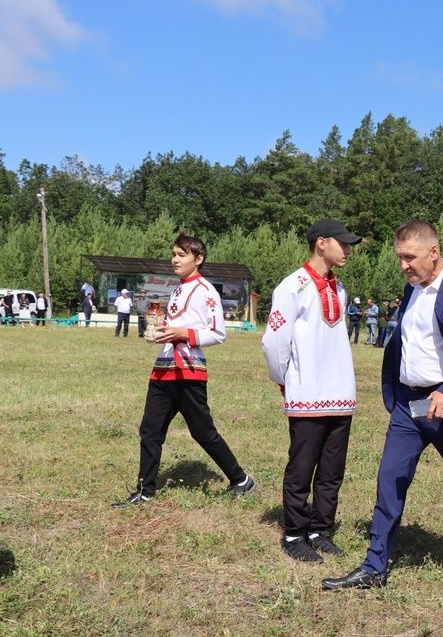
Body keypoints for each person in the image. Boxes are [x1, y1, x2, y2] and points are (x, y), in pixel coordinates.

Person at [323, 219, 443, 591]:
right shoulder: (412, 286)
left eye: (409, 257)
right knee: (390, 481)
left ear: (434, 252)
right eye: (400, 258)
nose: (403, 266)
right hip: (408, 406)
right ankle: (374, 566)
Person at [112, 234, 256, 508]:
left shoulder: (206, 291)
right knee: (150, 430)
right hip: (163, 369)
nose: (175, 259)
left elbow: (218, 333)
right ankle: (145, 489)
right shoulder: (179, 288)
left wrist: (182, 333)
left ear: (198, 259)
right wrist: (162, 328)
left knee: (203, 432)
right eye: (174, 253)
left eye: (181, 254)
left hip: (188, 371)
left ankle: (240, 479)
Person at [262, 219, 362, 564]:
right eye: (343, 243)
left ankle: (320, 528)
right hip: (307, 392)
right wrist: (286, 381)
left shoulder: (340, 287)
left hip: (340, 392)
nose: (347, 250)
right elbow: (275, 340)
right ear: (322, 243)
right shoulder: (292, 287)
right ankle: (293, 533)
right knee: (302, 467)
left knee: (333, 469)